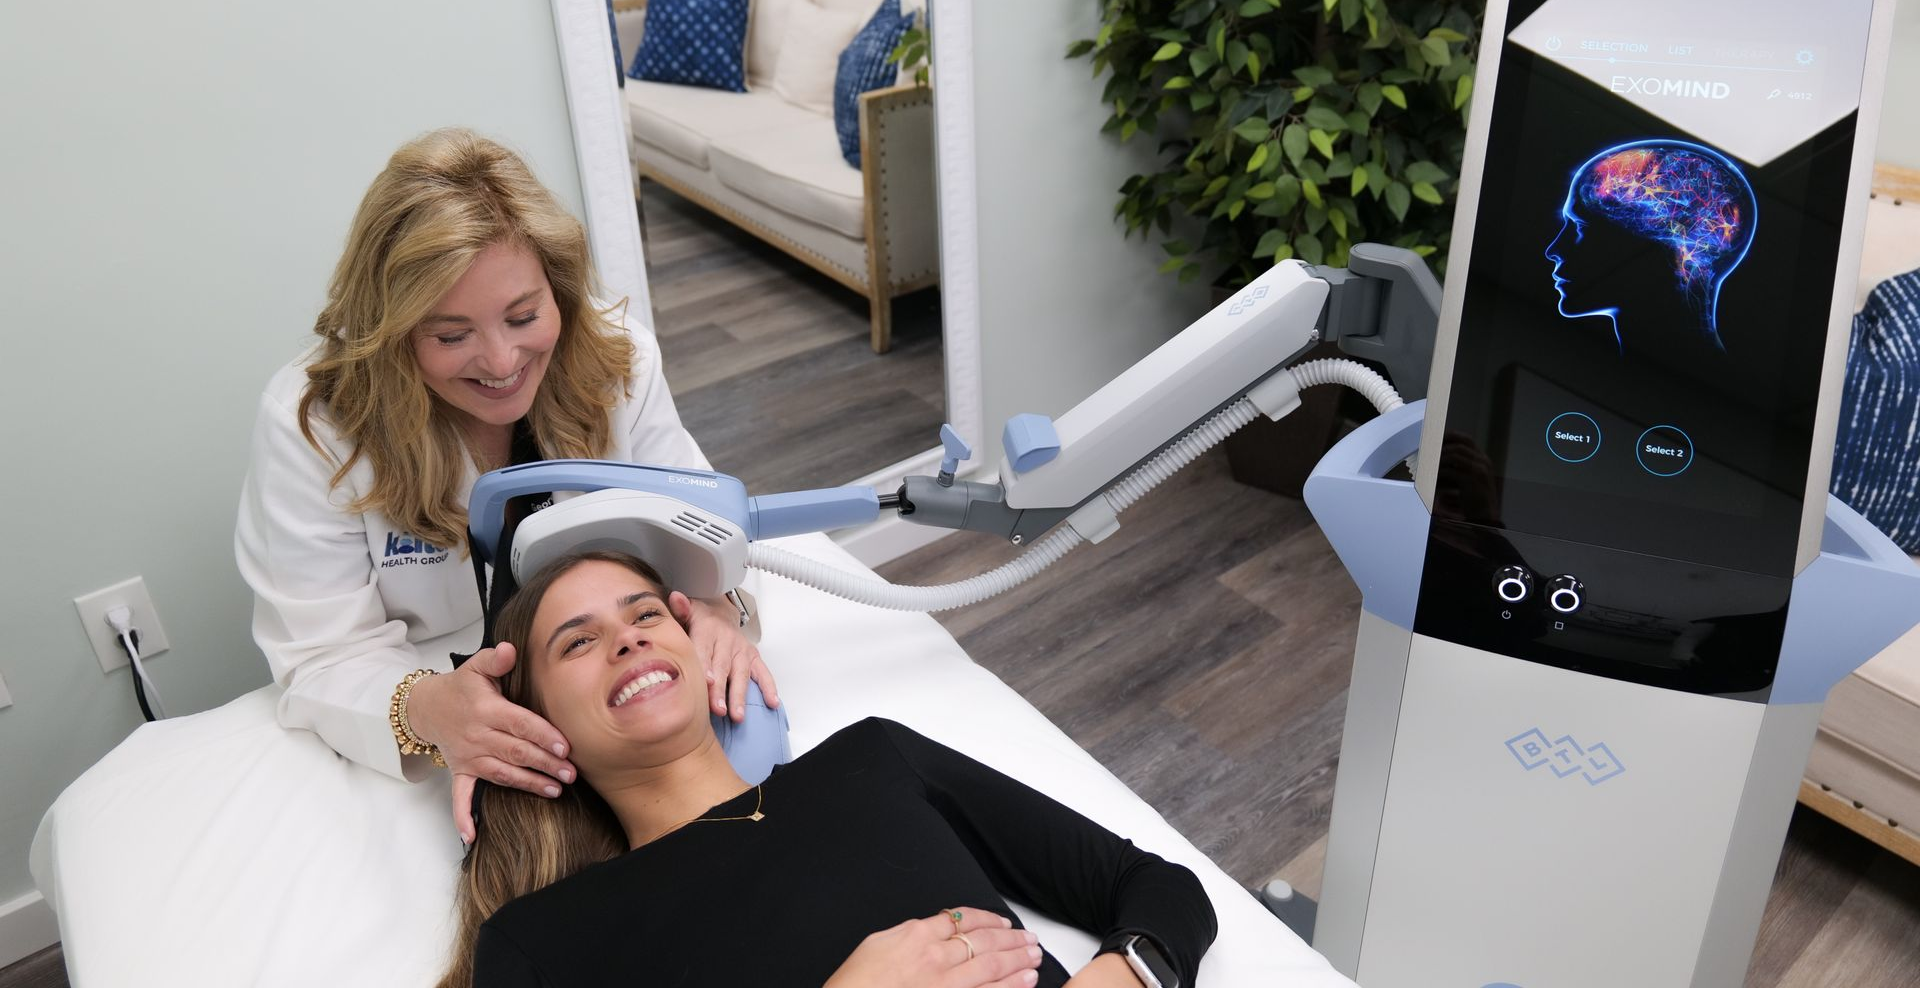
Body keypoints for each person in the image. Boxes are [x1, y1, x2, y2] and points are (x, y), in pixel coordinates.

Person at [235, 129, 777, 843]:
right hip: (437, 689)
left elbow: (705, 529)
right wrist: (430, 713)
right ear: (392, 331)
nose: (500, 360)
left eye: (524, 317)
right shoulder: (318, 428)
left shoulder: (617, 361)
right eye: (450, 335)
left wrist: (716, 608)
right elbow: (325, 653)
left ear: (558, 288)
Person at [442, 550, 1218, 988]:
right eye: (577, 642)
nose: (629, 639)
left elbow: (1158, 889)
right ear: (533, 721)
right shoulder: (541, 941)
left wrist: (1125, 977)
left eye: (646, 613)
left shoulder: (870, 762)